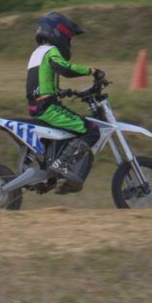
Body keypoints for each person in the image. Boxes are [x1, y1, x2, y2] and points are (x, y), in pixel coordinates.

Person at [26, 11, 106, 192]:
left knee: (65, 135)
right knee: (92, 130)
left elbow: (40, 81)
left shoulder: (38, 52)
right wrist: (91, 71)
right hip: (47, 107)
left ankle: (50, 180)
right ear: (59, 33)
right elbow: (64, 68)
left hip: (37, 105)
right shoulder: (51, 51)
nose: (70, 42)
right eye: (69, 37)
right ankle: (61, 166)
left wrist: (63, 92)